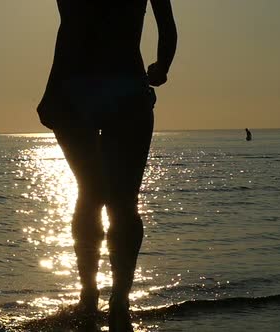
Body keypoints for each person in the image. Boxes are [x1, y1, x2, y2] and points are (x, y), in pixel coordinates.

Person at [37, 1, 177, 330]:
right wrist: (162, 65)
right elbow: (167, 25)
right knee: (122, 201)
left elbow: (70, 28)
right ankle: (118, 302)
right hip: (124, 86)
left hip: (77, 87)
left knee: (91, 194)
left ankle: (91, 297)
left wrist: (52, 90)